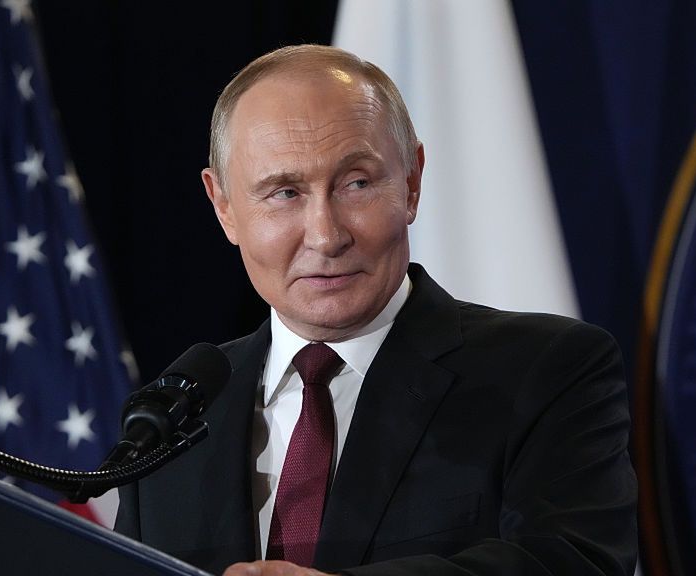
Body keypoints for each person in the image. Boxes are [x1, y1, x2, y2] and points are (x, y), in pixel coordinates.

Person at [115, 44, 637, 576]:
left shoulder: (548, 371)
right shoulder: (167, 423)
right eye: (285, 193)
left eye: (357, 183)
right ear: (224, 207)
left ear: (411, 182)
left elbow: (574, 562)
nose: (326, 235)